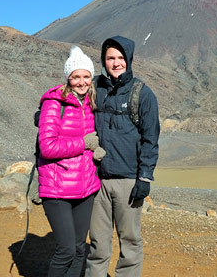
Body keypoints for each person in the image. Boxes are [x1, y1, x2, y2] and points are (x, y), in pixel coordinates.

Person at [85, 36, 160, 277]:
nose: (116, 63)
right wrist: (46, 113)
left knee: (129, 241)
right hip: (96, 180)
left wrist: (145, 177)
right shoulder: (94, 88)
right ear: (103, 61)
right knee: (98, 243)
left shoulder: (142, 94)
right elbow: (69, 99)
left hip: (128, 180)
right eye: (110, 58)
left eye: (120, 58)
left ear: (128, 60)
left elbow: (150, 139)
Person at [37, 45, 105, 277]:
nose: (82, 82)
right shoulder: (54, 103)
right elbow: (48, 147)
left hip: (85, 188)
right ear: (68, 78)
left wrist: (95, 150)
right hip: (57, 190)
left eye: (86, 76)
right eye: (76, 77)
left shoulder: (91, 104)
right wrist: (84, 144)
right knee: (66, 250)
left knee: (78, 249)